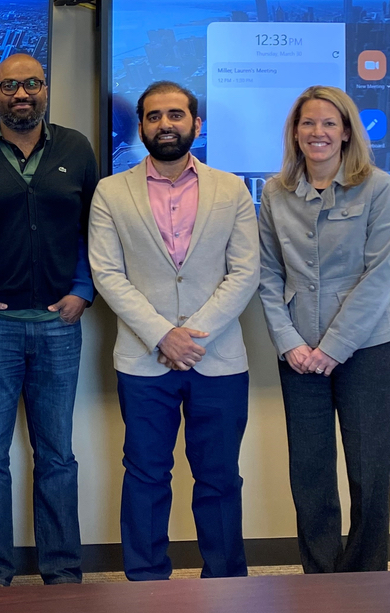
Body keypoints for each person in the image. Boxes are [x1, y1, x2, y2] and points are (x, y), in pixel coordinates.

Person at [88, 81, 258, 582]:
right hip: (144, 361)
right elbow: (107, 274)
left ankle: (225, 584)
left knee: (220, 478)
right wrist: (164, 334)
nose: (166, 124)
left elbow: (245, 271)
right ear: (141, 127)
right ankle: (145, 584)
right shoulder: (110, 191)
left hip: (219, 359)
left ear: (195, 124)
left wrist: (191, 335)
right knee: (145, 476)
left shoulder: (232, 189)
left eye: (176, 115)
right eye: (155, 116)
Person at [0, 53, 98, 587]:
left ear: (45, 89)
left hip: (61, 326)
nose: (21, 94)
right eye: (9, 85)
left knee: (57, 454)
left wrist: (83, 291)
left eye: (31, 84)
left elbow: (92, 228)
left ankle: (62, 572)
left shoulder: (76, 147)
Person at [257, 85, 390, 574]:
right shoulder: (275, 192)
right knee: (311, 474)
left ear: (345, 133)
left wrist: (334, 348)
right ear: (295, 134)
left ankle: (364, 582)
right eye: (307, 124)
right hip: (299, 355)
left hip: (367, 350)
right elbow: (268, 274)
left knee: (369, 472)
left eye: (328, 123)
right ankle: (319, 581)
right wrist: (290, 343)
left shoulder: (378, 186)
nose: (318, 132)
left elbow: (379, 275)